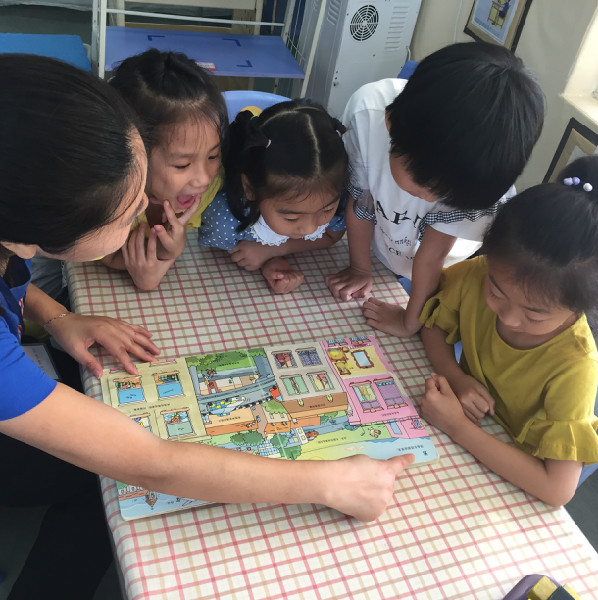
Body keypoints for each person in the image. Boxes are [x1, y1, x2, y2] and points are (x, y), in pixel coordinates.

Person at [0, 55, 413, 599]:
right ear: (42, 227)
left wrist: (57, 316)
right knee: (105, 485)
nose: (146, 209)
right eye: (127, 209)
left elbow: (12, 278)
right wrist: (331, 481)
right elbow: (153, 463)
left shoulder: (12, 232)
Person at [327, 42, 544, 338]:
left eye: (447, 196)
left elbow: (432, 257)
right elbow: (361, 204)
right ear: (390, 122)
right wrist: (360, 269)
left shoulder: (479, 174)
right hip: (389, 250)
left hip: (448, 268)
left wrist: (410, 321)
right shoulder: (367, 115)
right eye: (425, 186)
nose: (432, 199)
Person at [419, 155, 598, 507]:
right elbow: (433, 324)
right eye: (496, 292)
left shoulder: (575, 365)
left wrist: (457, 426)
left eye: (535, 315)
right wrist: (455, 377)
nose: (510, 318)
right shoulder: (477, 274)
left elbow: (557, 489)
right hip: (470, 435)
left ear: (578, 308)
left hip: (515, 468)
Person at [102, 49, 228, 290]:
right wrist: (154, 264)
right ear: (133, 154)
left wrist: (168, 251)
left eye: (213, 155)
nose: (204, 179)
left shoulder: (210, 189)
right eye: (182, 164)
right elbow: (104, 255)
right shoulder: (109, 202)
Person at [198, 100, 348, 294]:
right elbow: (221, 250)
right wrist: (267, 258)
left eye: (327, 209)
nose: (310, 228)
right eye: (291, 218)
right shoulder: (224, 222)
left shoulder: (335, 197)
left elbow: (332, 235)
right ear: (250, 189)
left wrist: (274, 252)